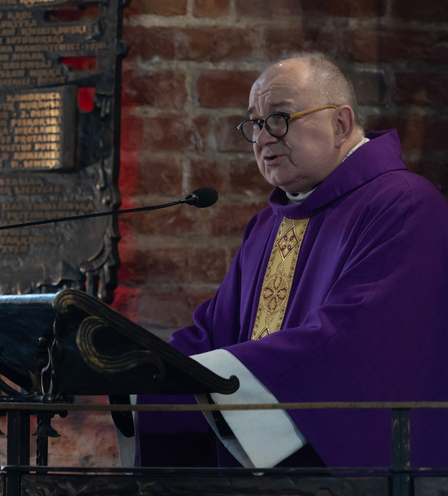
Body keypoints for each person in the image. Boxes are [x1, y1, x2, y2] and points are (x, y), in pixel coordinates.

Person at [133, 53, 448, 469]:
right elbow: (213, 333)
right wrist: (135, 367)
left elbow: (353, 342)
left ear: (340, 124)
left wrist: (229, 377)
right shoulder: (268, 225)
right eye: (255, 123)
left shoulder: (404, 205)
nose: (263, 138)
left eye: (279, 119)